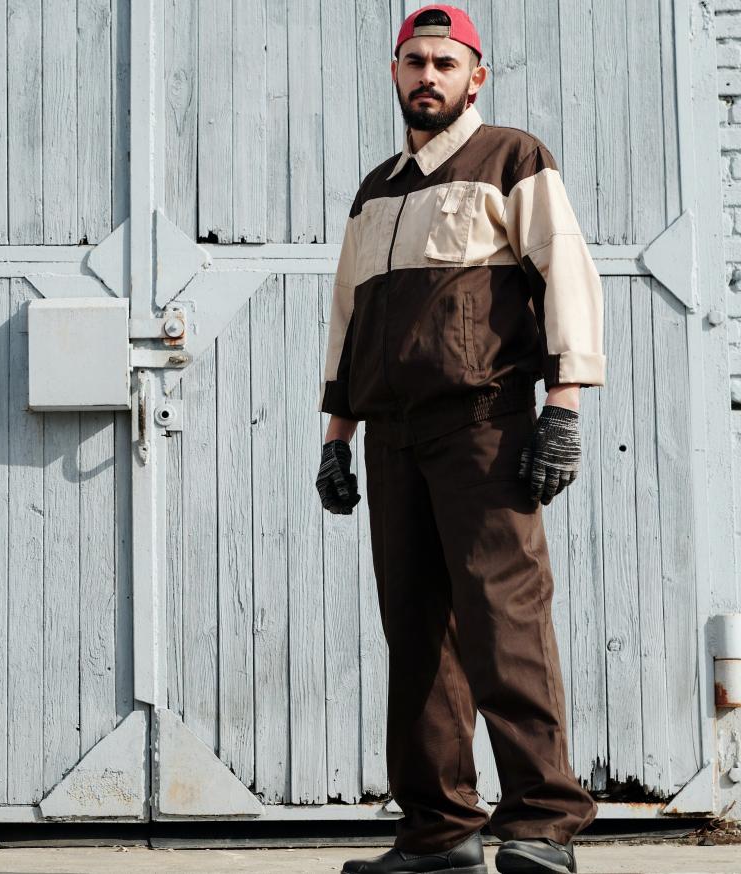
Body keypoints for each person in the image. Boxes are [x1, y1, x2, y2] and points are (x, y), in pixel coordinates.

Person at [315, 7, 603, 874]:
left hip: (485, 427)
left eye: (446, 62)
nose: (428, 75)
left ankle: (541, 823)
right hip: (392, 441)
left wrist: (565, 406)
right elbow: (349, 319)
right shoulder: (377, 189)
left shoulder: (513, 158)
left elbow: (567, 276)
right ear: (394, 72)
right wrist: (337, 434)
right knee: (415, 632)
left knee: (503, 621)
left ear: (476, 76)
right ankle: (440, 831)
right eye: (414, 61)